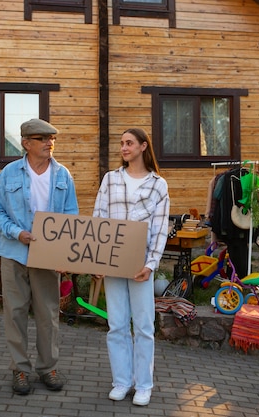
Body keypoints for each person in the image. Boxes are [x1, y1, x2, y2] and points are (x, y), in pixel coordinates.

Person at [0, 118, 79, 395]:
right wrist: (17, 233)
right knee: (14, 313)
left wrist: (66, 253)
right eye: (42, 139)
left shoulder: (63, 175)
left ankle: (48, 367)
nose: (49, 143)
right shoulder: (8, 174)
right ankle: (20, 369)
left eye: (52, 139)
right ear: (26, 144)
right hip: (15, 253)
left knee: (48, 314)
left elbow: (71, 217)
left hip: (48, 257)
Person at [92, 127, 170, 406]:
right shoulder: (111, 179)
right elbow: (99, 219)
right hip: (113, 264)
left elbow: (160, 229)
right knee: (116, 325)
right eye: (121, 143)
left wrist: (151, 264)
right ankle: (121, 381)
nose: (123, 147)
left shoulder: (158, 185)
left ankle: (144, 385)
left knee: (144, 326)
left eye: (129, 143)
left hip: (140, 267)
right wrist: (97, 260)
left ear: (143, 147)